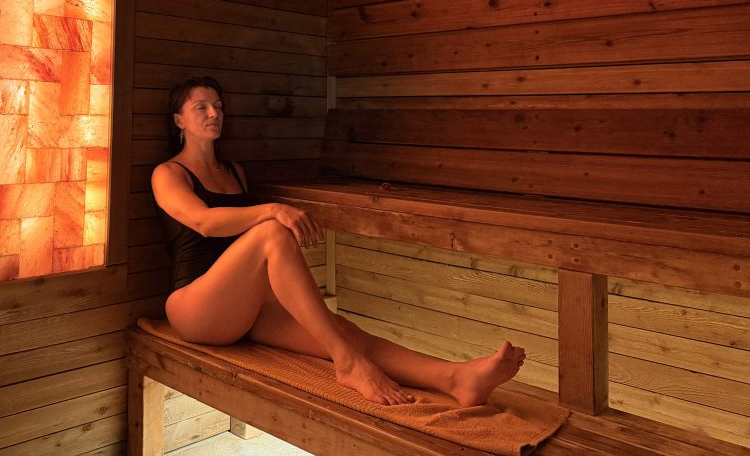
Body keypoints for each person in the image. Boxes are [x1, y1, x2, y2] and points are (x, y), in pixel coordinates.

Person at [151, 76, 526, 407]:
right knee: (272, 232)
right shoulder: (168, 173)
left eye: (218, 105)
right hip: (195, 308)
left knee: (341, 331)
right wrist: (273, 210)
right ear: (179, 120)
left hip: (243, 308)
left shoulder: (234, 171)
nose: (213, 113)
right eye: (201, 107)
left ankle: (456, 378)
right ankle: (348, 364)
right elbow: (203, 222)